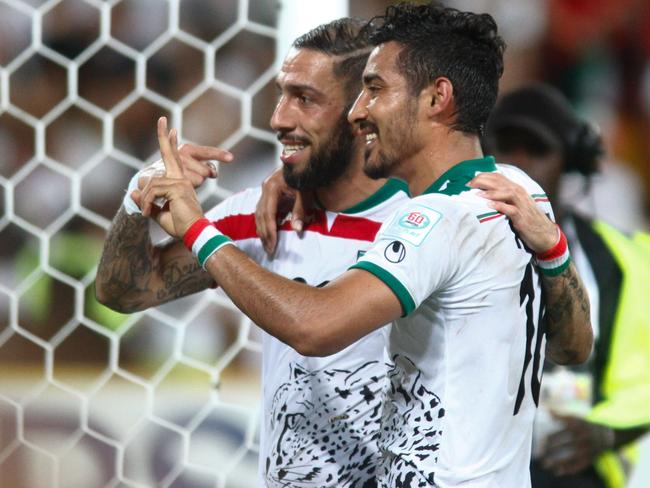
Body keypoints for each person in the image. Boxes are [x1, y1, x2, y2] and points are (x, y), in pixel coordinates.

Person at [129, 3, 593, 486]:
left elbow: (315, 327)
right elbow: (574, 347)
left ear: (437, 98)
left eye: (375, 90)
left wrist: (195, 227)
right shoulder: (517, 190)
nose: (359, 112)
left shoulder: (434, 219)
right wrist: (555, 252)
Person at [484, 82, 650, 488]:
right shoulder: (445, 239)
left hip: (572, 466)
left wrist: (608, 431)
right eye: (506, 145)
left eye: (537, 149)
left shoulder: (626, 260)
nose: (518, 165)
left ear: (571, 161)